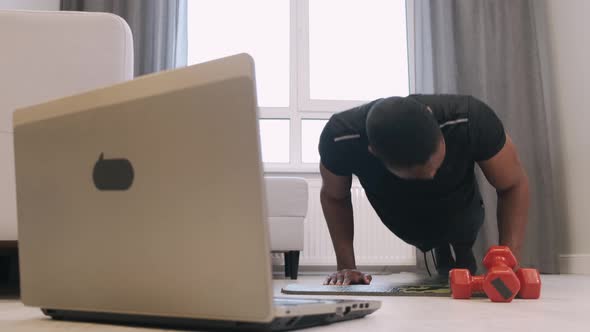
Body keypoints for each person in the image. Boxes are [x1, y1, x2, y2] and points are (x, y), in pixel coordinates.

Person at [319, 95, 529, 285]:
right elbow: (334, 197)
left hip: (458, 198)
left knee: (463, 223)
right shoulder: (340, 138)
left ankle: (462, 248)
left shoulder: (469, 119)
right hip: (399, 207)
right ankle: (440, 248)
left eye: (434, 166)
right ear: (373, 152)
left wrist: (508, 261)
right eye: (420, 173)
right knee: (422, 231)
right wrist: (346, 266)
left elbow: (512, 184)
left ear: (431, 115)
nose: (430, 176)